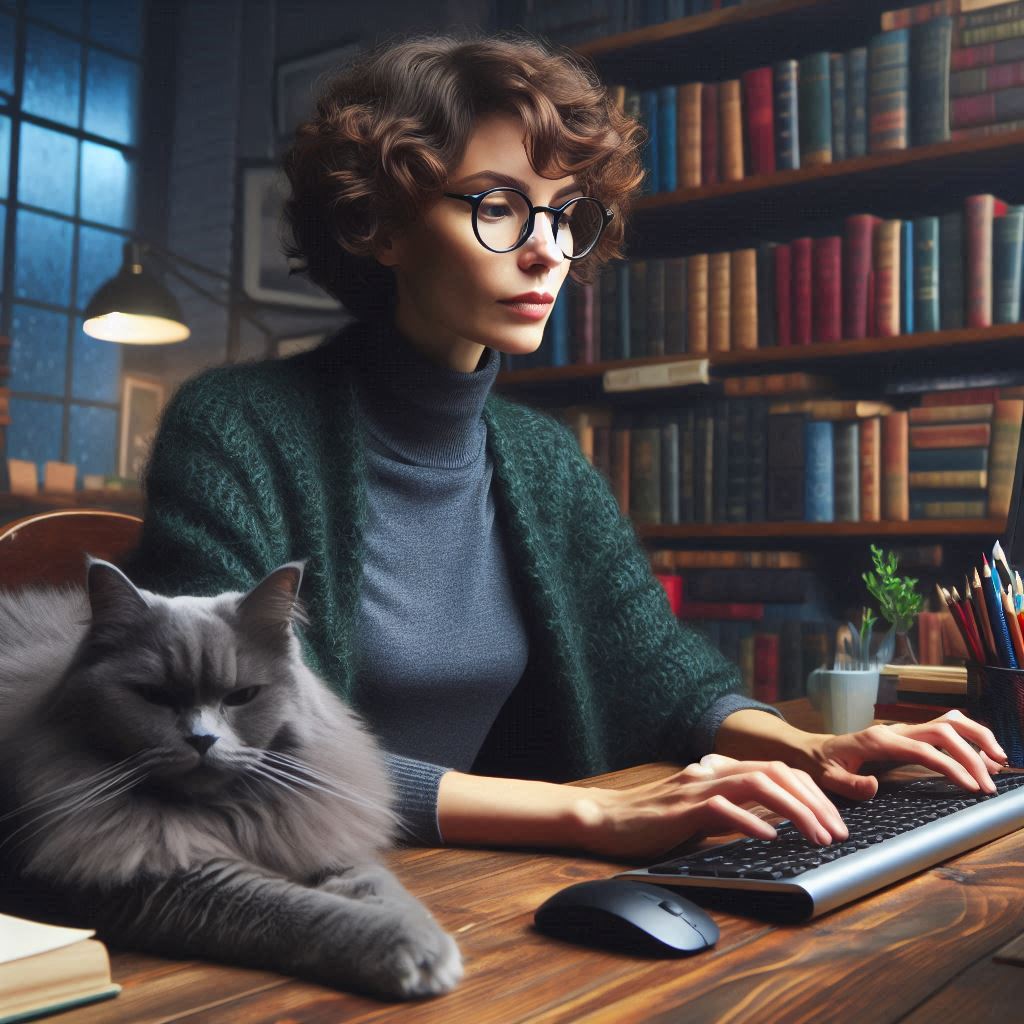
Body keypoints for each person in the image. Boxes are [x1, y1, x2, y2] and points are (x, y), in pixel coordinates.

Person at [125, 31, 1008, 863]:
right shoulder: (236, 431)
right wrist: (589, 813)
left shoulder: (538, 459)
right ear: (379, 226)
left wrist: (814, 746)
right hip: (274, 893)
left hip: (474, 893)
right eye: (501, 207)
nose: (547, 251)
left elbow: (663, 678)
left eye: (564, 214)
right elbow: (241, 749)